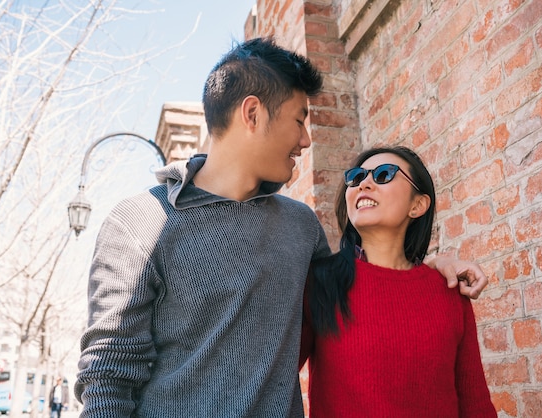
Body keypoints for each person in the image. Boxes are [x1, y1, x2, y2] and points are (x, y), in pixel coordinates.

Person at [75, 37, 488, 417]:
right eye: (299, 119)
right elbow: (108, 378)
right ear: (252, 114)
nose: (306, 140)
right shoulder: (139, 223)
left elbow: (361, 291)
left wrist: (432, 266)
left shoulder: (299, 225)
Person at [300, 146, 497, 417]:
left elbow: (475, 403)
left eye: (383, 175)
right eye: (356, 178)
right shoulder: (318, 283)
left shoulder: (449, 289)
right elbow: (267, 380)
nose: (364, 183)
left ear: (417, 205)